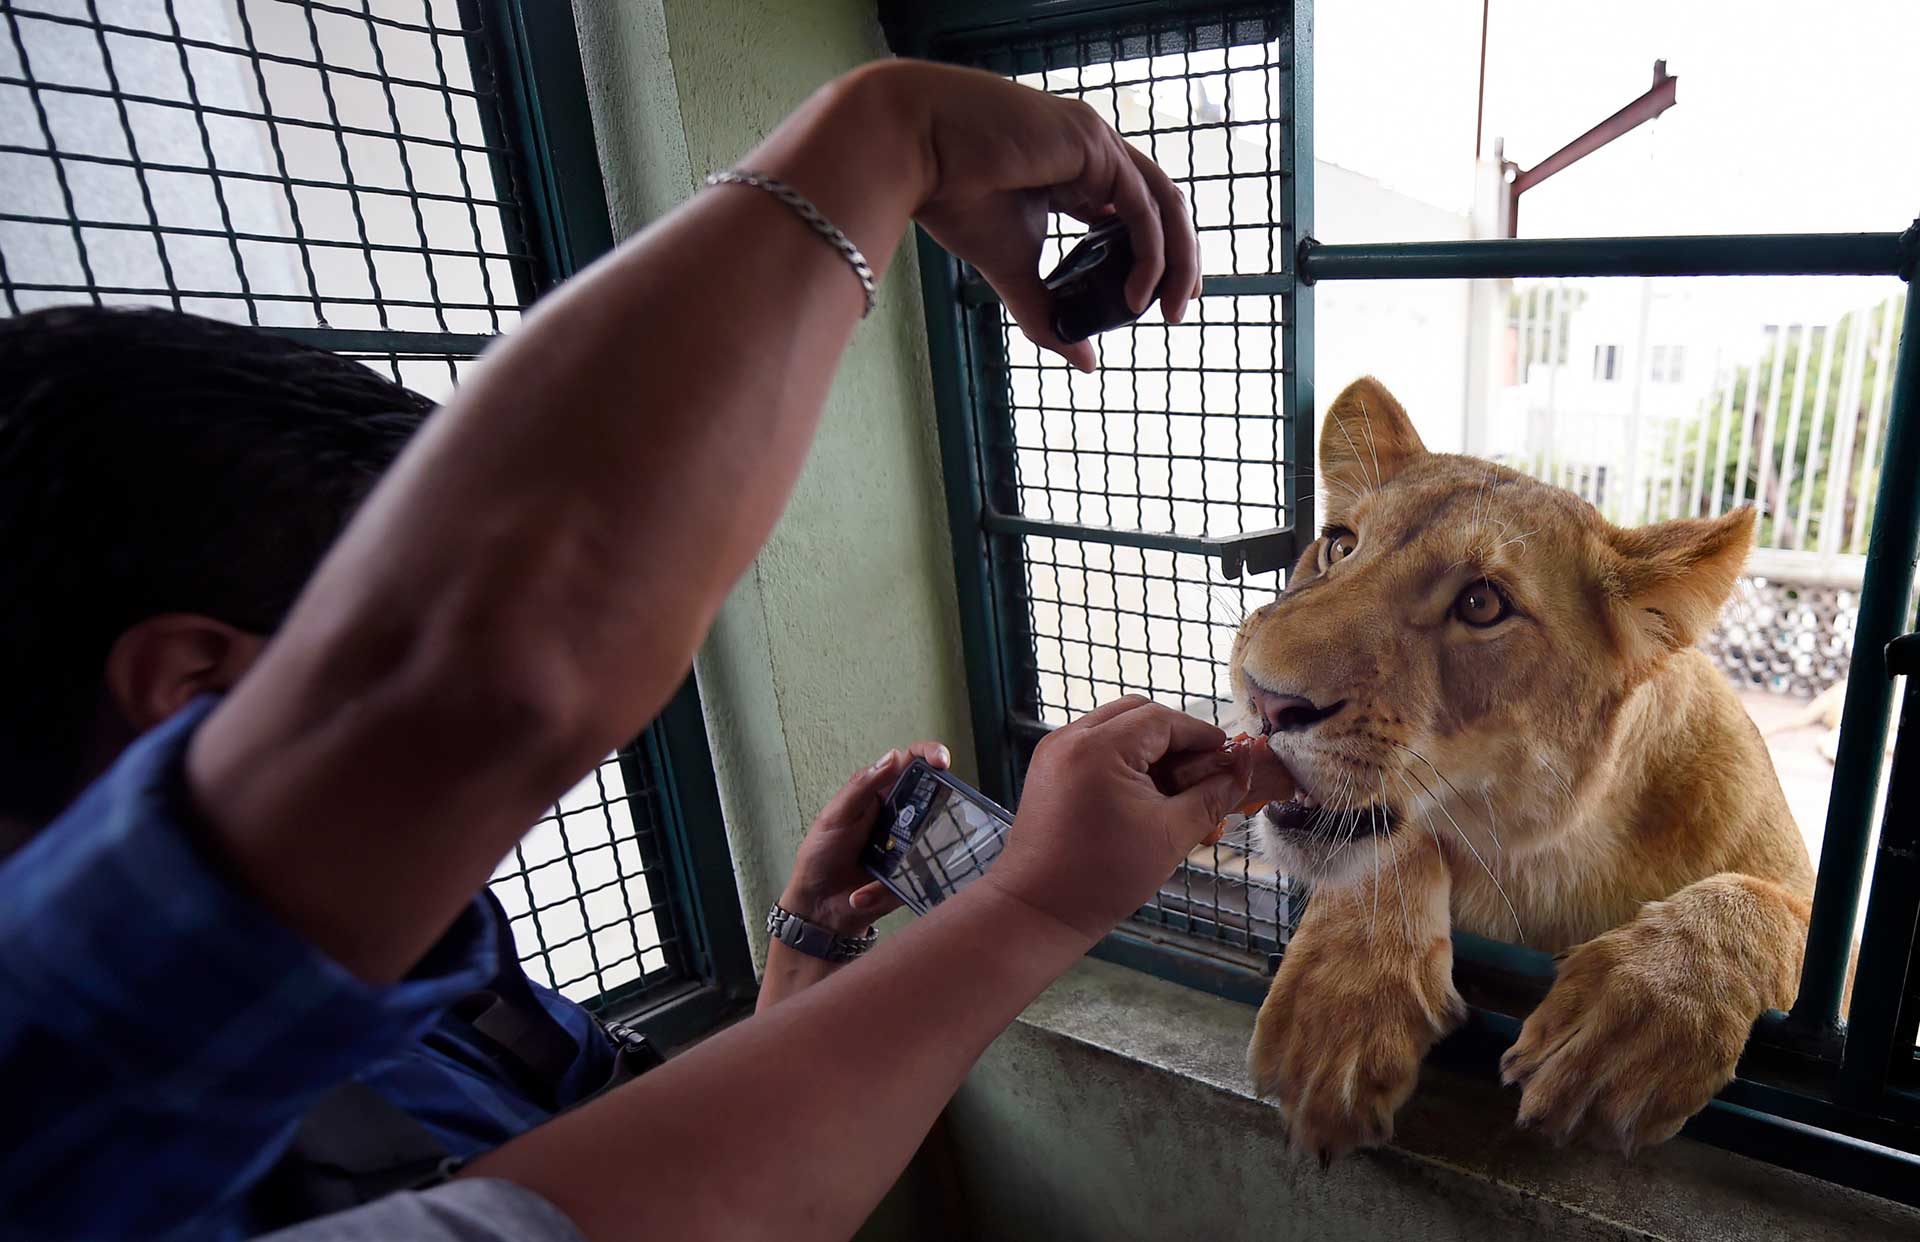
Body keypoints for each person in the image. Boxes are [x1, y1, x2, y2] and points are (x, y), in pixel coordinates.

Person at [0, 57, 1247, 1241]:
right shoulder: (57, 1113)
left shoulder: (389, 995)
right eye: (372, 638)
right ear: (192, 698)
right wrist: (883, 143)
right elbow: (521, 666)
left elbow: (649, 1180)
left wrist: (805, 954)